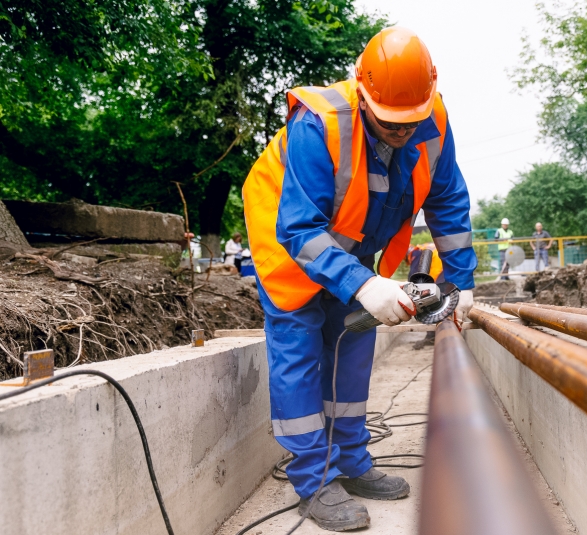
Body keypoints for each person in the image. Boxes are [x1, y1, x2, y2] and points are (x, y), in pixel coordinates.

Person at [242, 27, 477, 532]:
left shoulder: (432, 120)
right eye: (391, 122)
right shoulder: (319, 123)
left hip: (350, 247)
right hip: (290, 242)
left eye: (410, 121)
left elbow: (447, 201)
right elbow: (299, 227)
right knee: (300, 346)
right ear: (363, 93)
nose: (402, 131)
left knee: (351, 342)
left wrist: (461, 283)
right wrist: (365, 284)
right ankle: (312, 479)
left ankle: (350, 459)